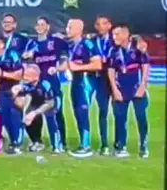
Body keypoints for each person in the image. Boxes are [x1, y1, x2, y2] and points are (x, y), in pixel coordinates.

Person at [23, 17, 68, 152]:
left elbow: (65, 61)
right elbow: (24, 60)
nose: (40, 27)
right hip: (35, 85)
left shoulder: (56, 41)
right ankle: (36, 141)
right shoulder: (31, 43)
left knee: (54, 112)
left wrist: (57, 69)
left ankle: (60, 142)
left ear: (48, 27)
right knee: (32, 110)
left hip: (52, 83)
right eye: (38, 25)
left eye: (43, 24)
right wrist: (27, 56)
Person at [107, 24, 150, 158]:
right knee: (120, 118)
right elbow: (111, 71)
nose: (114, 37)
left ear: (126, 34)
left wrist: (142, 86)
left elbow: (145, 67)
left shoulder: (138, 48)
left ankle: (143, 145)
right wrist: (114, 89)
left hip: (137, 89)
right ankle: (121, 146)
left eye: (117, 34)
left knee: (141, 117)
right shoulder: (113, 51)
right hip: (121, 89)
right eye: (113, 35)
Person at [66, 18, 102, 158]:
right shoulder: (70, 45)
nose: (67, 29)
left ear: (79, 29)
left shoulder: (88, 44)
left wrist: (77, 67)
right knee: (76, 112)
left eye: (70, 27)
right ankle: (82, 142)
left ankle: (86, 146)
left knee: (82, 111)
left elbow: (98, 64)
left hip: (86, 81)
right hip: (75, 81)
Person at [12, 64, 58, 154]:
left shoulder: (45, 84)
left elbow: (50, 103)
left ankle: (57, 146)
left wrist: (35, 113)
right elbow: (21, 100)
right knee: (25, 115)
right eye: (25, 74)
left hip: (50, 103)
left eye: (27, 75)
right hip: (36, 103)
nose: (25, 77)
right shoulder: (26, 85)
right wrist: (14, 94)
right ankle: (36, 141)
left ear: (36, 76)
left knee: (51, 117)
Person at [0, 34, 24, 155]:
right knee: (5, 118)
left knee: (15, 116)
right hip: (2, 91)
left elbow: (19, 75)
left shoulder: (12, 55)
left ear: (2, 44)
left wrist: (3, 74)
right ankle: (13, 142)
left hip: (15, 90)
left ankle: (17, 144)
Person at [92, 15, 114, 154]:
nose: (101, 26)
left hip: (117, 79)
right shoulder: (92, 41)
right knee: (103, 111)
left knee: (119, 112)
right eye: (98, 24)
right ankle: (104, 144)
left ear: (109, 25)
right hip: (100, 79)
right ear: (95, 26)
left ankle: (119, 144)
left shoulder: (116, 39)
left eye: (104, 23)